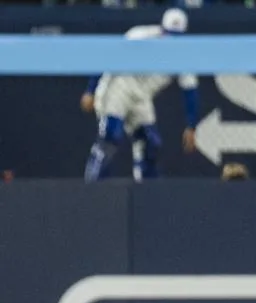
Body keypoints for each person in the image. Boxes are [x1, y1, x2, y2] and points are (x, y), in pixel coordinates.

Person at [82, 8, 198, 183]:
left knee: (150, 143)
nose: (172, 41)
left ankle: (145, 189)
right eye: (169, 35)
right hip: (119, 85)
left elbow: (190, 91)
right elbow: (108, 55)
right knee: (110, 136)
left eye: (177, 37)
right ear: (162, 30)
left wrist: (191, 125)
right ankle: (94, 186)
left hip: (142, 96)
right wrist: (91, 89)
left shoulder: (183, 55)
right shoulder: (141, 36)